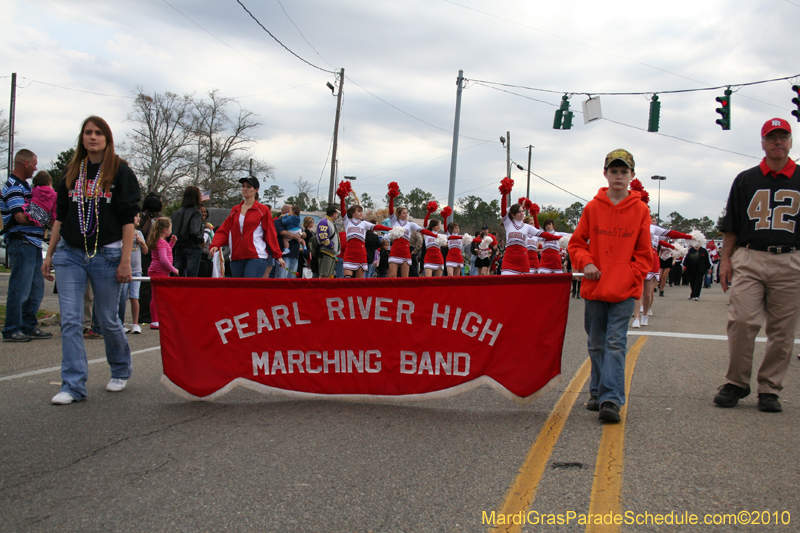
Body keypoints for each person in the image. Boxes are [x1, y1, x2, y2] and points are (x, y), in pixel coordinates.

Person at [42, 116, 141, 404]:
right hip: (70, 254)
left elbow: (127, 219)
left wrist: (125, 260)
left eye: (98, 133)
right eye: (88, 132)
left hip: (107, 253)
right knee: (71, 321)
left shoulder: (120, 172)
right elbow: (60, 216)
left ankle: (120, 369)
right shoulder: (72, 172)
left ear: (107, 139)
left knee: (108, 320)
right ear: (81, 138)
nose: (92, 137)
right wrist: (50, 254)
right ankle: (72, 385)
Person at [713, 118, 800, 413]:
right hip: (750, 256)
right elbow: (732, 226)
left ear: (791, 141)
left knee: (783, 330)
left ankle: (770, 388)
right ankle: (736, 382)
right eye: (771, 137)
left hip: (791, 259)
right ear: (762, 143)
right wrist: (725, 259)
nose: (778, 142)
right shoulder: (746, 179)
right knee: (741, 320)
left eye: (783, 137)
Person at [567, 149, 652, 423]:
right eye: (613, 171)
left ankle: (611, 400)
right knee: (596, 344)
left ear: (632, 176)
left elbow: (644, 255)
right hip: (595, 288)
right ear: (605, 174)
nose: (618, 176)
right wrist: (586, 262)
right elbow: (576, 244)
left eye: (624, 171)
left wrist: (630, 275)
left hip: (624, 291)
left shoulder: (640, 210)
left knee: (615, 343)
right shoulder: (592, 207)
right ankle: (597, 391)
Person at [2, 149, 52, 342]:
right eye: (34, 164)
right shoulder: (13, 187)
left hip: (33, 243)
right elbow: (20, 217)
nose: (35, 168)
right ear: (25, 164)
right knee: (19, 289)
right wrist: (42, 218)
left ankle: (28, 325)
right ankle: (11, 329)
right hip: (21, 241)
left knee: (35, 290)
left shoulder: (28, 188)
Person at [209, 177, 284, 278]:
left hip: (256, 257)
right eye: (243, 186)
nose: (245, 189)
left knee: (249, 290)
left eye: (249, 187)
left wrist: (278, 255)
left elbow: (270, 233)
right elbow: (224, 230)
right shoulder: (235, 210)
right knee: (239, 291)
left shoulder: (262, 210)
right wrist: (215, 244)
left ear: (256, 190)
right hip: (236, 257)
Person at [497, 180, 560, 276]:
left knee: (522, 288)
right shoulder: (508, 223)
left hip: (523, 261)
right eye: (520, 212)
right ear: (513, 214)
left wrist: (560, 238)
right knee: (507, 286)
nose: (522, 213)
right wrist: (504, 193)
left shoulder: (527, 227)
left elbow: (543, 234)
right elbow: (503, 210)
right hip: (509, 260)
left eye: (523, 211)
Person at [385, 182, 436, 277]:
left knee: (405, 277)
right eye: (404, 213)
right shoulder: (393, 221)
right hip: (395, 250)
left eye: (407, 213)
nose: (406, 215)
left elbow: (422, 230)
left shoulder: (410, 224)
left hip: (405, 251)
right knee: (392, 276)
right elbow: (391, 209)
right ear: (399, 214)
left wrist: (435, 235)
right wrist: (391, 197)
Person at [339, 186, 391, 278]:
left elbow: (377, 226)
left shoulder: (364, 223)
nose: (361, 213)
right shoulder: (347, 222)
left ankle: (358, 293)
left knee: (359, 282)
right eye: (359, 211)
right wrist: (342, 198)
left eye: (361, 211)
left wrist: (391, 229)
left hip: (361, 253)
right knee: (347, 279)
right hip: (349, 253)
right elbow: (343, 210)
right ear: (352, 213)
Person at [146, 217, 178, 329]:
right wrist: (173, 269)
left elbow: (167, 251)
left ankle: (158, 319)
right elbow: (163, 259)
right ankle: (155, 320)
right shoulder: (160, 242)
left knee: (160, 296)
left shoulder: (162, 242)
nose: (171, 230)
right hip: (158, 271)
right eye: (170, 228)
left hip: (161, 271)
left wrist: (172, 243)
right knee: (156, 296)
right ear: (164, 230)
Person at [118, 213, 147, 334]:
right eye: (136, 216)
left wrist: (142, 242)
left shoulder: (139, 233)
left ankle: (135, 323)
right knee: (122, 297)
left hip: (136, 270)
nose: (139, 218)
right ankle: (120, 322)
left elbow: (145, 251)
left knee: (135, 296)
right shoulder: (121, 232)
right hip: (125, 270)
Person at [137, 191, 162, 323]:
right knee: (145, 285)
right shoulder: (141, 218)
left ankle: (154, 314)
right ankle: (144, 314)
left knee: (155, 284)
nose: (156, 214)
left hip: (156, 253)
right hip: (144, 253)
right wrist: (147, 219)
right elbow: (142, 232)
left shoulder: (160, 219)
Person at [170, 186, 204, 277]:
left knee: (176, 274)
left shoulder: (176, 213)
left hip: (178, 247)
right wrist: (201, 240)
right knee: (190, 279)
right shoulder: (196, 212)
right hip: (192, 247)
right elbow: (194, 231)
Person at [273, 204, 303, 278]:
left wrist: (301, 234)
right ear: (288, 211)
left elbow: (304, 233)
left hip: (295, 255)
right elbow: (283, 233)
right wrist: (296, 237)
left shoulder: (296, 221)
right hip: (284, 256)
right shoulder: (278, 222)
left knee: (292, 279)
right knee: (281, 278)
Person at [315, 205, 340, 278]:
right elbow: (323, 237)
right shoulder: (324, 222)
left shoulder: (330, 222)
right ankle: (321, 289)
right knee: (324, 275)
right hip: (326, 252)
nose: (337, 215)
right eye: (337, 213)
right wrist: (331, 246)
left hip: (331, 253)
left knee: (329, 276)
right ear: (334, 213)